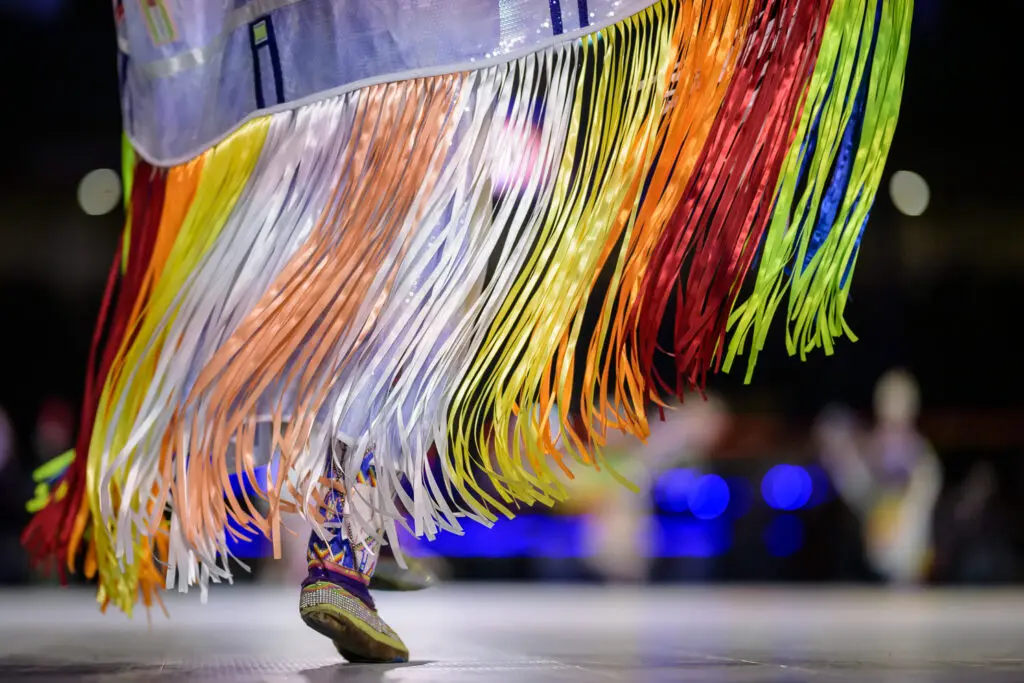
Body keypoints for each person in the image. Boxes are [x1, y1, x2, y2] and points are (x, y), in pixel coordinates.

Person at [23, 0, 913, 664]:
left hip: (336, 70)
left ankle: (348, 524)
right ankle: (340, 549)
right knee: (404, 288)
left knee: (390, 294)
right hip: (401, 70)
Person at [816, 369, 943, 585]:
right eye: (889, 404)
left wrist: (903, 514)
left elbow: (925, 491)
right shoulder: (869, 448)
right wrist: (841, 456)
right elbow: (858, 488)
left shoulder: (919, 454)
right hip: (871, 547)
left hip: (905, 548)